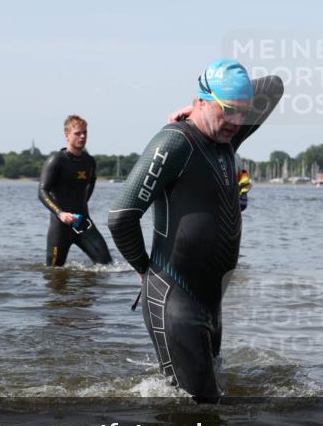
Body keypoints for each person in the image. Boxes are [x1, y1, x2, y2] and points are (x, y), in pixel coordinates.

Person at [108, 59, 284, 402]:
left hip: (210, 304)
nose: (237, 121)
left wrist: (210, 106)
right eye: (228, 110)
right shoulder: (175, 142)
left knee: (211, 405)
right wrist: (143, 269)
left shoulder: (227, 137)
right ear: (203, 101)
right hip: (173, 299)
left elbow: (274, 86)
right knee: (199, 409)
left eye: (243, 111)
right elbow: (121, 216)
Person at [39, 115, 113, 267]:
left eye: (85, 132)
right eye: (78, 133)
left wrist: (83, 203)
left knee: (107, 265)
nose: (83, 136)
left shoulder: (89, 161)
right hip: (60, 226)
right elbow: (42, 191)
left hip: (83, 222)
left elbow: (92, 182)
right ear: (66, 135)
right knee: (54, 272)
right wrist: (60, 213)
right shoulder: (56, 160)